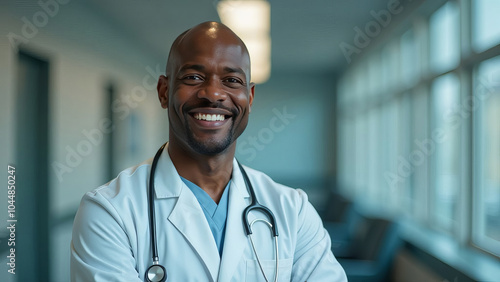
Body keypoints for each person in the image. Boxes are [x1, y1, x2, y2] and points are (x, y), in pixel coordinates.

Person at [71, 21, 347, 282]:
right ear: (164, 91)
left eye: (231, 80)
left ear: (249, 98)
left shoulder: (292, 211)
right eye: (193, 77)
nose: (213, 94)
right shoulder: (109, 211)